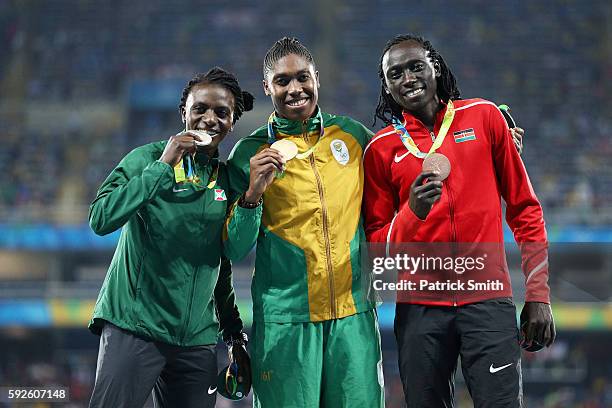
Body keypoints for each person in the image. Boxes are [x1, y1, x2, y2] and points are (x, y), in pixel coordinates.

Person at [363, 34, 555, 408]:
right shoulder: (381, 150)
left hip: (488, 298)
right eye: (395, 73)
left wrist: (538, 294)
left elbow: (525, 209)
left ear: (435, 66)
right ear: (386, 86)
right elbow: (378, 250)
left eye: (416, 66)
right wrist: (412, 213)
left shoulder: (484, 117)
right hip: (419, 308)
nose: (408, 78)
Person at [224, 37, 384, 407]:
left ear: (317, 79)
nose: (295, 89)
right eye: (282, 81)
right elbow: (233, 246)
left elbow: (404, 173)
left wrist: (494, 135)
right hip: (286, 321)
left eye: (303, 78)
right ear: (267, 87)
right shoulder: (248, 153)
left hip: (354, 316)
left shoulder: (354, 137)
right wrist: (252, 195)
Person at [87, 67, 254, 408]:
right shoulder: (145, 160)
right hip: (134, 328)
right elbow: (101, 219)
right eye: (200, 109)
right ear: (184, 113)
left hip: (196, 341)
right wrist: (163, 165)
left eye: (222, 113)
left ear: (232, 122)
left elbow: (218, 262)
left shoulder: (225, 181)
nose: (209, 119)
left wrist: (234, 333)